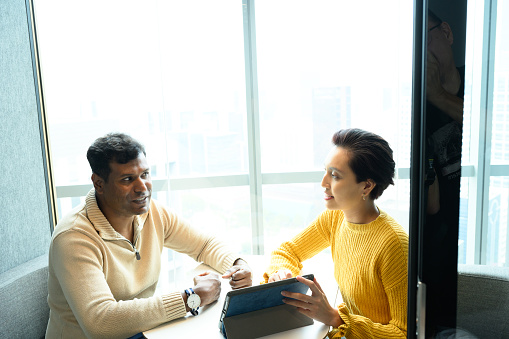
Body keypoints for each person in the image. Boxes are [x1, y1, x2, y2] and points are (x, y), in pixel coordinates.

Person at [45, 132, 252, 339]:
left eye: (145, 174)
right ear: (99, 183)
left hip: (142, 332)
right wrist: (191, 298)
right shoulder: (73, 238)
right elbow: (101, 323)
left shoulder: (152, 213)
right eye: (128, 179)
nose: (142, 188)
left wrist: (238, 264)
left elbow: (204, 245)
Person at [263, 128, 408, 339]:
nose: (323, 183)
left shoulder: (394, 244)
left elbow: (403, 333)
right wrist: (282, 272)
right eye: (325, 171)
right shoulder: (335, 218)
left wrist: (335, 318)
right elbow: (287, 251)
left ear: (366, 186)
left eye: (335, 176)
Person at [424, 9, 465, 336]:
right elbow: (430, 204)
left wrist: (438, 95)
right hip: (438, 245)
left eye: (428, 37)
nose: (424, 53)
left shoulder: (486, 83)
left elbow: (492, 132)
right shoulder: (414, 105)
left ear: (446, 33)